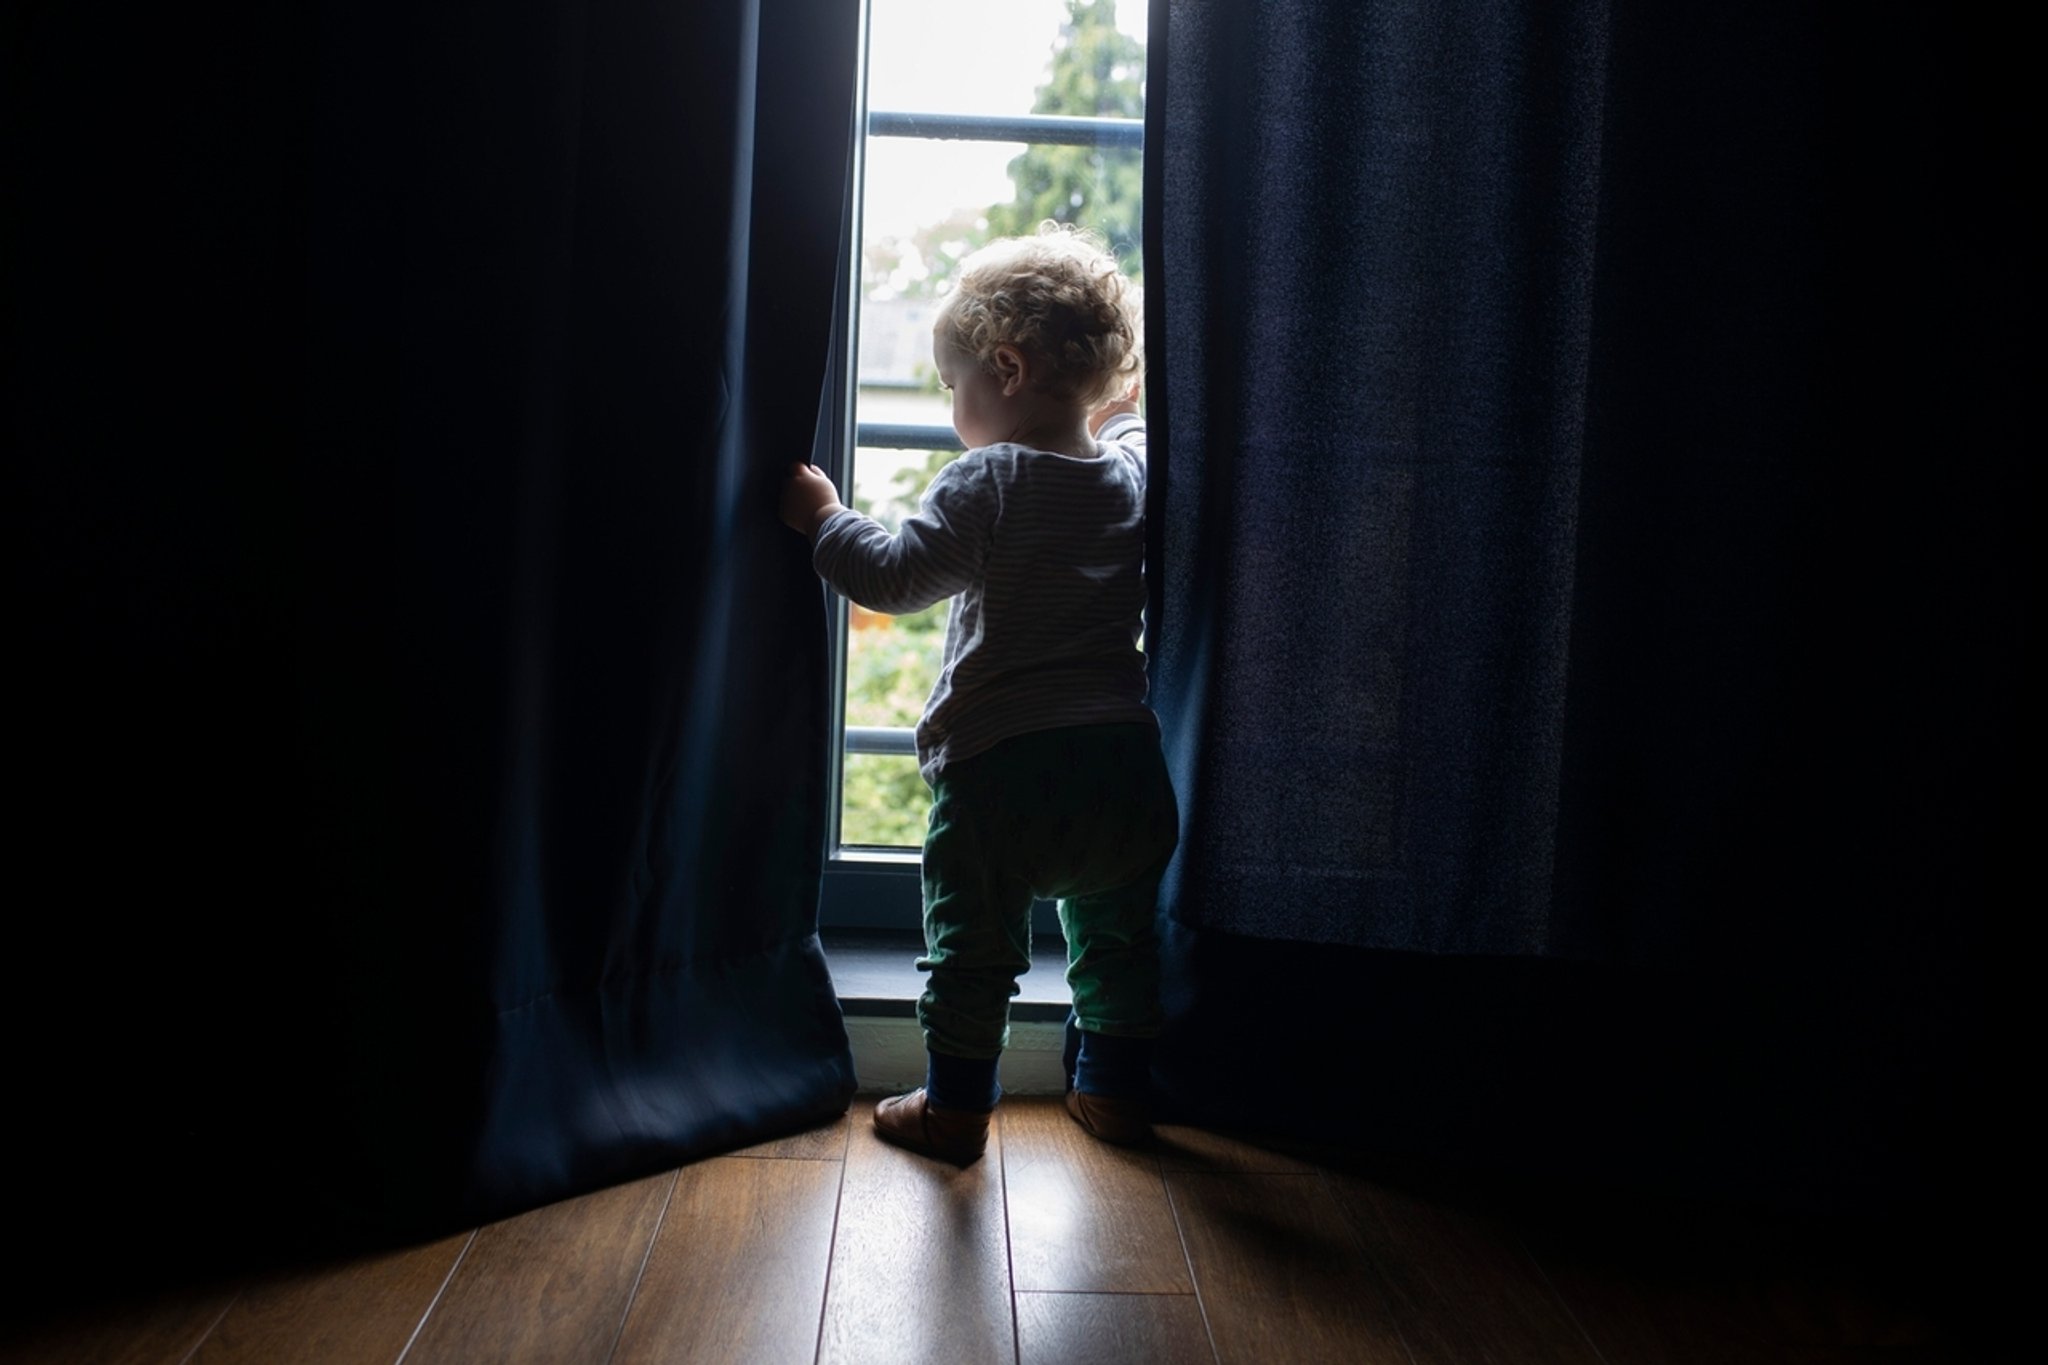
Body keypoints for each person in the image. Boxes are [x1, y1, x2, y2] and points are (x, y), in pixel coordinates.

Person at [780, 224, 1177, 1165]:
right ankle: (1114, 1091)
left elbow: (897, 576)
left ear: (1005, 367)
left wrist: (823, 516)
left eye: (954, 384)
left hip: (1005, 769)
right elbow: (1127, 422)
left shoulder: (987, 478)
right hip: (1126, 767)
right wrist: (1111, 394)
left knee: (974, 948)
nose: (953, 404)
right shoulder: (1131, 474)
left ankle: (957, 1107)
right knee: (1115, 938)